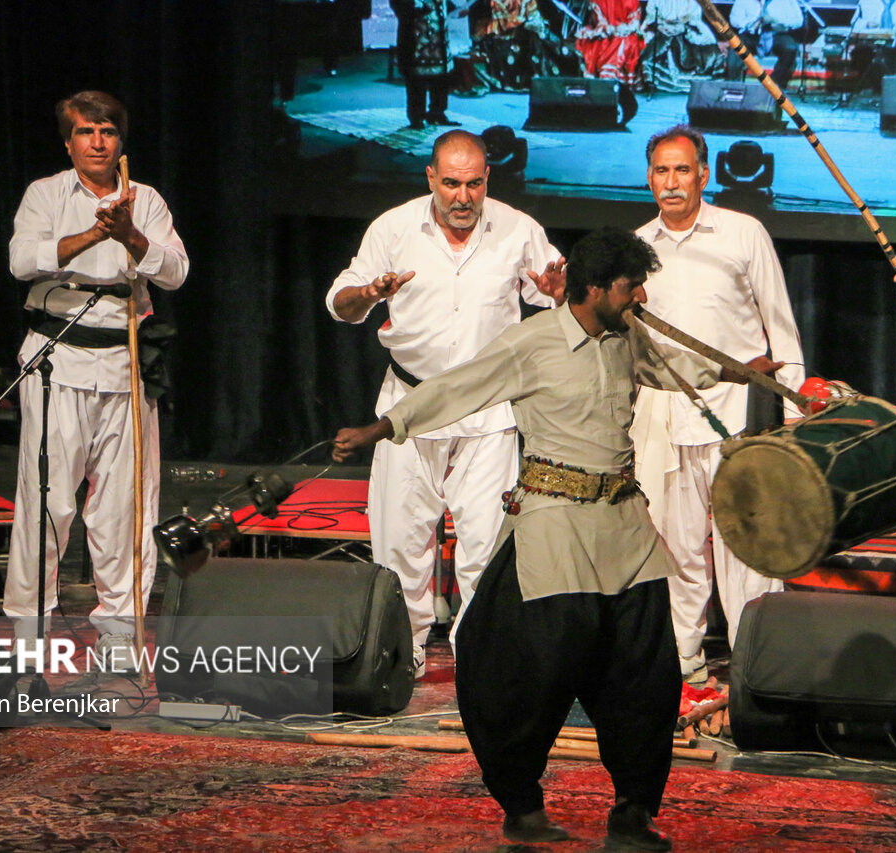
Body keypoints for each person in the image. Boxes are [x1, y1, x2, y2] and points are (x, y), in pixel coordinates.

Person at [333, 226, 780, 849]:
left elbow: (676, 366)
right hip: (553, 528)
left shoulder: (629, 337)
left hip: (626, 529)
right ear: (594, 287)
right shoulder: (532, 343)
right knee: (529, 677)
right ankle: (520, 805)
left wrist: (740, 370)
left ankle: (632, 811)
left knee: (648, 680)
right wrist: (381, 428)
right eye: (631, 285)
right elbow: (455, 388)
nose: (640, 294)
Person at [326, 130, 564, 678]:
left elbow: (557, 292)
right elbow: (341, 302)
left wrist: (558, 294)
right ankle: (396, 657)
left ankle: (480, 660)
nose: (463, 197)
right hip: (409, 406)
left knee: (485, 545)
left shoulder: (518, 230)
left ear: (488, 181)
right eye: (451, 183)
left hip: (488, 413)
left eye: (474, 184)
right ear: (431, 177)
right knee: (400, 542)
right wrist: (368, 294)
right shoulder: (393, 227)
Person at [5, 91, 189, 669]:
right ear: (69, 142)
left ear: (120, 140)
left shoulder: (147, 200)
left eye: (108, 131)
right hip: (57, 358)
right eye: (86, 132)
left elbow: (177, 271)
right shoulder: (46, 194)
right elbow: (21, 262)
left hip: (126, 364)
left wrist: (131, 233)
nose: (98, 141)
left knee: (124, 506)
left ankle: (119, 629)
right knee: (48, 499)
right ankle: (30, 630)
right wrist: (95, 233)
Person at [632, 125, 805, 683]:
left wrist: (796, 407)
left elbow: (779, 320)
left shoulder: (742, 232)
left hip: (740, 411)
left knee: (748, 542)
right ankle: (685, 658)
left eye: (683, 170)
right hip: (663, 415)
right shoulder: (638, 246)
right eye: (662, 171)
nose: (672, 182)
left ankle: (758, 659)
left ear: (704, 174)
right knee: (674, 543)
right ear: (650, 178)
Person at [392, 0, 457, 128]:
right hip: (417, 36)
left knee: (441, 78)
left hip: (438, 36)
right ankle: (417, 116)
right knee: (416, 78)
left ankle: (437, 113)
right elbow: (400, 7)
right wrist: (419, 7)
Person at [640, 0, 725, 93]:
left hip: (686, 28)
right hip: (662, 29)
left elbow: (694, 16)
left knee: (706, 46)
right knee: (657, 44)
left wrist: (682, 27)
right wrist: (661, 25)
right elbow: (652, 15)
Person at [727, 0, 805, 89]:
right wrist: (754, 23)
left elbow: (798, 21)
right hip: (751, 34)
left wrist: (777, 20)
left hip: (776, 34)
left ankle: (773, 85)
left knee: (790, 47)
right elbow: (734, 19)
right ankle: (733, 85)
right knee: (736, 45)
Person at [575, 0, 647, 86]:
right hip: (606, 32)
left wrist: (625, 29)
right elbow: (599, 21)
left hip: (627, 34)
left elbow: (635, 22)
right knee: (600, 43)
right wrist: (610, 29)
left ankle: (613, 79)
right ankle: (605, 79)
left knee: (625, 42)